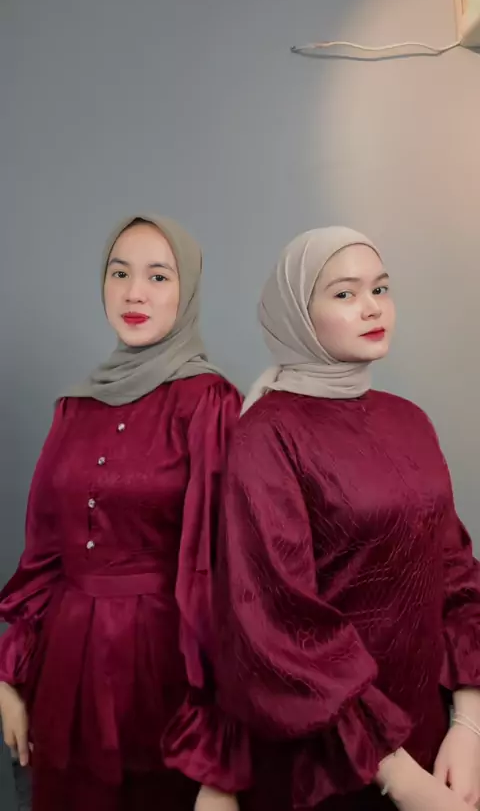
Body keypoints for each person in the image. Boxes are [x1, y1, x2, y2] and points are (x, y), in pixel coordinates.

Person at [201, 228, 480, 810]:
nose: (372, 307)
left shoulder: (410, 421)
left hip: (436, 743)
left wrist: (469, 724)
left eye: (380, 288)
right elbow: (279, 625)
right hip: (328, 767)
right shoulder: (266, 435)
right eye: (345, 294)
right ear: (297, 314)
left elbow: (455, 573)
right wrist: (406, 784)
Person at [0, 214, 242, 811]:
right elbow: (44, 556)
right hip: (63, 672)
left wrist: (220, 754)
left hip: (166, 678)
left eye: (158, 276)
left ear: (187, 290)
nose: (135, 293)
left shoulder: (209, 403)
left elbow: (226, 576)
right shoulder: (74, 408)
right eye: (119, 273)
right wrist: (10, 674)